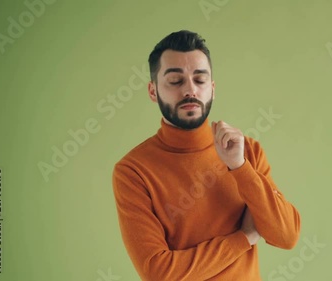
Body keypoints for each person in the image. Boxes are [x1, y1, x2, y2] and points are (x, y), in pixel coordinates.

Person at [112, 30, 301, 281]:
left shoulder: (247, 151)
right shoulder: (133, 171)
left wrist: (239, 167)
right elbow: (158, 273)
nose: (190, 90)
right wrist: (243, 238)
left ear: (212, 88)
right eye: (175, 81)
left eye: (199, 80)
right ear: (153, 91)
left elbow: (286, 236)